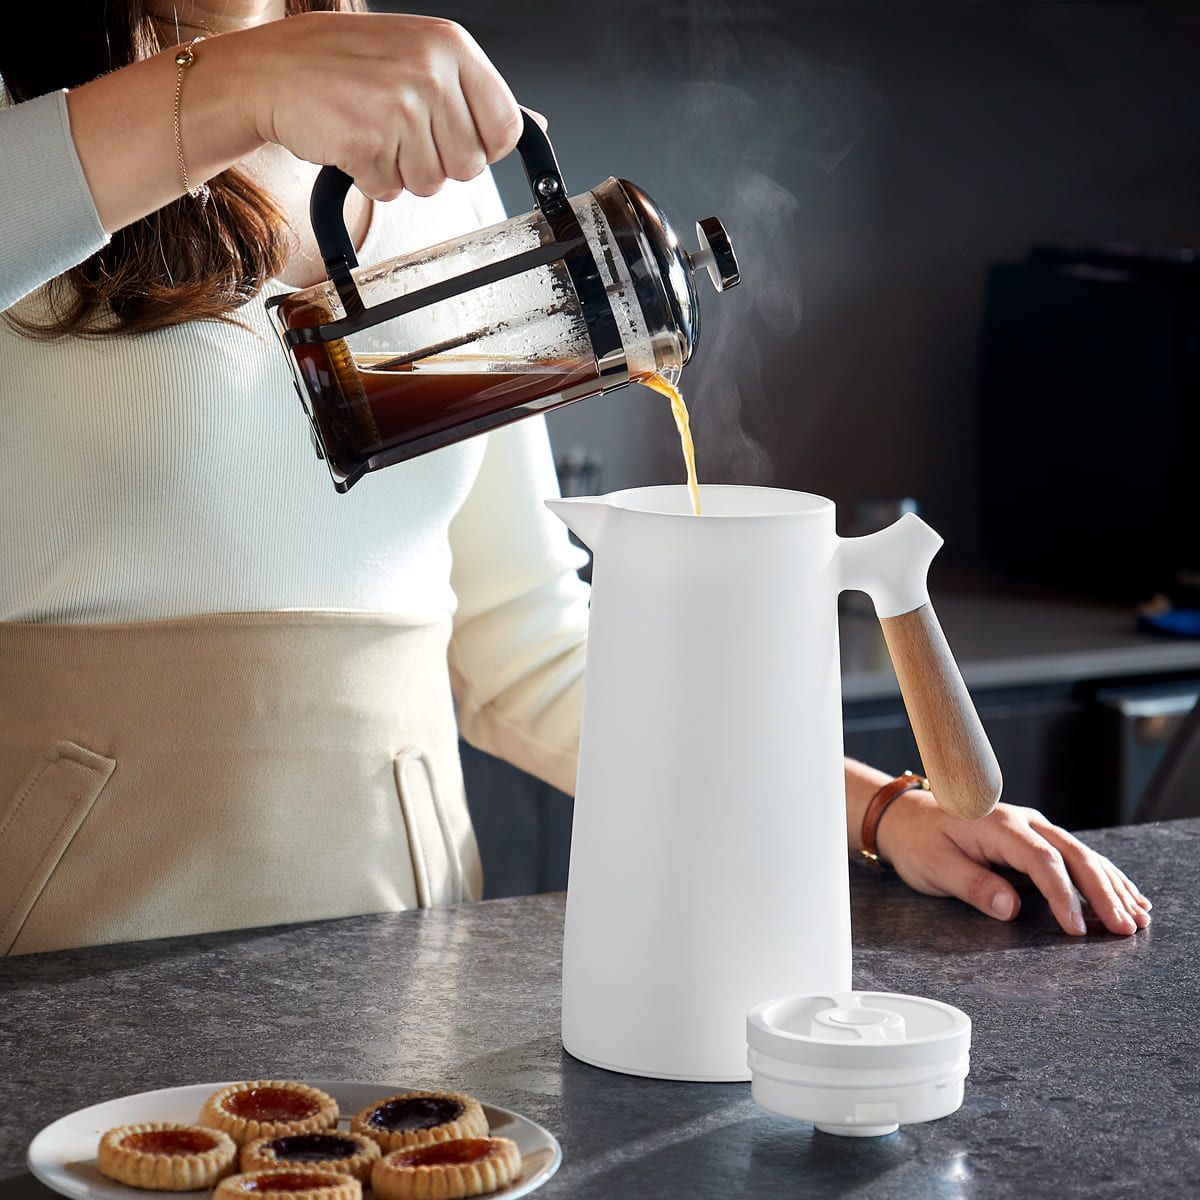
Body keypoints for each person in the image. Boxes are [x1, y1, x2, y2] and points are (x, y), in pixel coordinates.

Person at [0, 1, 1149, 955]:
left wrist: (873, 811)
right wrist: (241, 84)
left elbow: (529, 646)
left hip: (391, 961)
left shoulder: (427, 167)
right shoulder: (32, 135)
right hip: (68, 957)